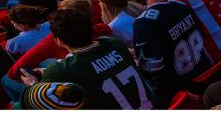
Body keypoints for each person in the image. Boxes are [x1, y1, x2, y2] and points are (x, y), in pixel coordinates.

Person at [22, 8, 153, 110]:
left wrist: (33, 85)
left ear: (58, 41)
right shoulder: (114, 42)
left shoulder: (59, 71)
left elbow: (41, 101)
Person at [132, 0, 211, 101]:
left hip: (178, 90)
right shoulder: (182, 6)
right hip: (202, 72)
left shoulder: (143, 23)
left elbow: (154, 70)